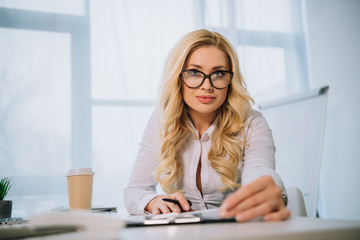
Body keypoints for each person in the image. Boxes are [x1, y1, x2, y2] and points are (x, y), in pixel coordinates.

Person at [124, 29, 290, 222]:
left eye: (218, 73)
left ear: (230, 79)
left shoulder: (252, 123)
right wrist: (152, 201)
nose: (207, 85)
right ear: (179, 77)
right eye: (194, 72)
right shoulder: (163, 119)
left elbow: (260, 169)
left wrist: (266, 187)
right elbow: (135, 190)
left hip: (237, 230)